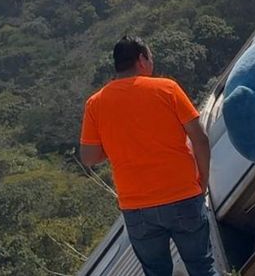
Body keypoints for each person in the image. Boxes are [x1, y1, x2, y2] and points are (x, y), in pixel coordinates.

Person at [79, 36, 217, 276]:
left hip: (137, 206)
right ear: (141, 60)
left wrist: (118, 146)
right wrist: (202, 180)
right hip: (183, 194)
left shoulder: (96, 103)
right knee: (203, 268)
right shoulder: (166, 88)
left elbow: (88, 157)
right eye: (150, 57)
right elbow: (200, 138)